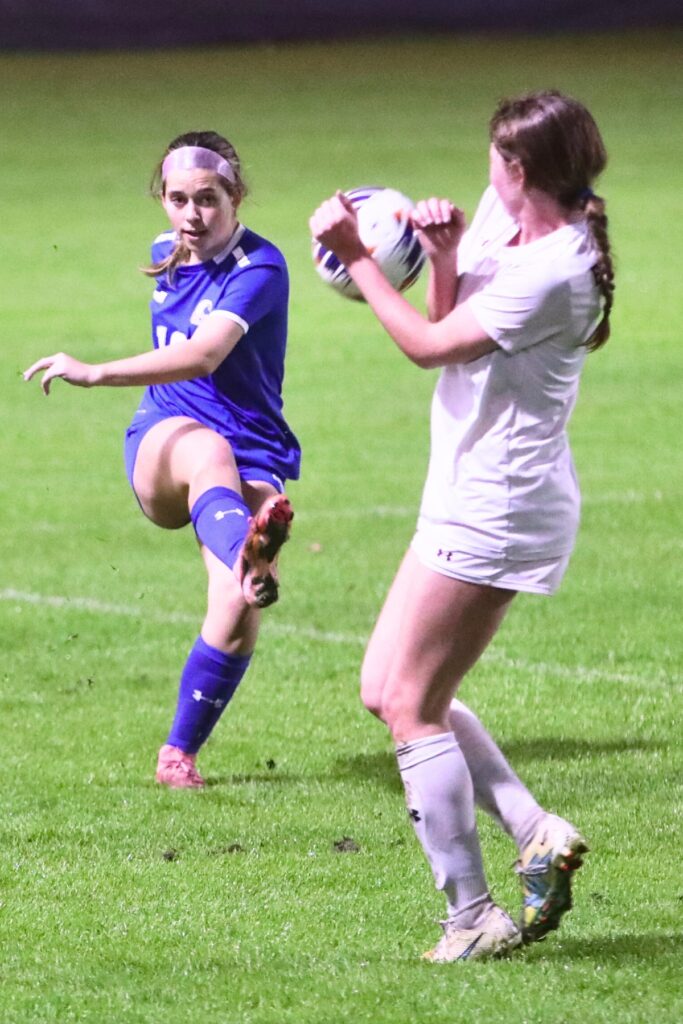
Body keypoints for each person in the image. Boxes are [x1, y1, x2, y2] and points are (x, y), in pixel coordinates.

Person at [310, 90, 614, 962]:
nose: (485, 172)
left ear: (518, 170)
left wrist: (354, 257)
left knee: (411, 704)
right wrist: (441, 254)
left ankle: (471, 916)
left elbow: (425, 346)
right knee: (388, 689)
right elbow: (450, 313)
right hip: (465, 488)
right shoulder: (508, 215)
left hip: (500, 505)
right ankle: (533, 830)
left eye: (494, 159)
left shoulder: (556, 266)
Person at [24, 131, 300, 789]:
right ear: (164, 200)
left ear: (236, 199)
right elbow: (192, 368)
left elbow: (205, 353)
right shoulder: (166, 251)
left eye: (207, 199)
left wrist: (94, 372)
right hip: (164, 443)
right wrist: (102, 378)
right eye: (178, 199)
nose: (191, 215)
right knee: (205, 451)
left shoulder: (259, 267)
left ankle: (178, 755)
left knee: (237, 612)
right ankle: (248, 551)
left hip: (252, 447)